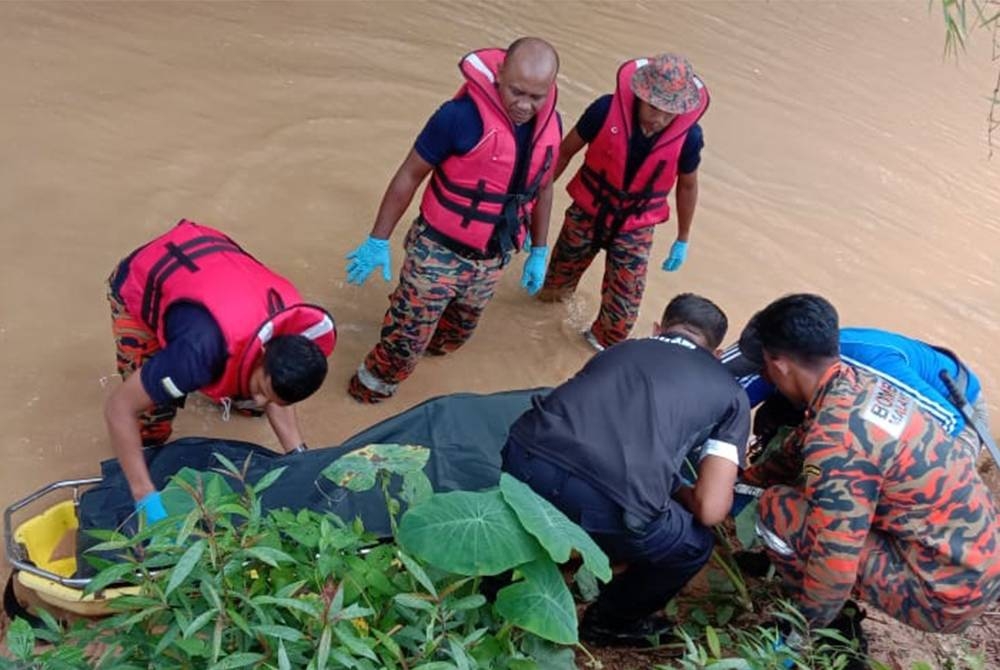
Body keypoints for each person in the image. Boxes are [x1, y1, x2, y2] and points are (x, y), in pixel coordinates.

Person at [742, 294, 1000, 638]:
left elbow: (835, 562)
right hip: (975, 566)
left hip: (943, 597)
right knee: (807, 498)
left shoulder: (836, 442)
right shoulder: (859, 384)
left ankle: (830, 630)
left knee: (776, 508)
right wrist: (746, 478)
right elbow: (799, 444)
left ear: (780, 364)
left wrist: (801, 628)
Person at [502, 293, 750, 646]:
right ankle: (608, 623)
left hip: (523, 461)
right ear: (716, 354)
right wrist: (677, 486)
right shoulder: (730, 393)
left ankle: (494, 581)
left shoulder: (619, 349)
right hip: (608, 504)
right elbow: (710, 510)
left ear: (658, 328)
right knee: (693, 545)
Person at [344, 37, 561, 403]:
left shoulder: (550, 124)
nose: (524, 105)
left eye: (536, 97)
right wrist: (378, 239)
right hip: (438, 252)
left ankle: (411, 326)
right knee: (403, 346)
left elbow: (543, 188)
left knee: (452, 338)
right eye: (516, 91)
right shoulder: (457, 117)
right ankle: (364, 393)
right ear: (499, 72)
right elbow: (409, 175)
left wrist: (539, 250)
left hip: (493, 256)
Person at [105, 219, 336, 523]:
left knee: (253, 404)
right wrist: (143, 493)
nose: (262, 401)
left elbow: (278, 395)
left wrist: (300, 458)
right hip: (147, 276)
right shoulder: (197, 355)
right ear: (265, 353)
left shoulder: (292, 332)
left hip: (216, 273)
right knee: (152, 425)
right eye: (264, 391)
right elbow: (118, 409)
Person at [537, 53, 709, 352]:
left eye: (669, 112)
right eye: (654, 108)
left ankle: (586, 357)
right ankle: (536, 338)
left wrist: (682, 238)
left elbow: (688, 185)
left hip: (636, 226)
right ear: (641, 95)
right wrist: (533, 201)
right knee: (553, 289)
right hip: (587, 213)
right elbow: (564, 153)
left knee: (622, 313)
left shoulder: (690, 136)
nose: (659, 119)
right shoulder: (604, 110)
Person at [723, 324, 990, 447]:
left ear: (781, 364)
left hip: (958, 414)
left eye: (764, 369)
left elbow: (948, 422)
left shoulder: (872, 366)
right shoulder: (793, 353)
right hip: (861, 400)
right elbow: (731, 396)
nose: (761, 376)